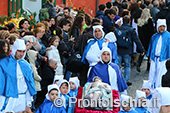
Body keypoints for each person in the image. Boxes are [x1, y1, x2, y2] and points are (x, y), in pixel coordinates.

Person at [0, 39, 36, 112]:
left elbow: (29, 86)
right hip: (8, 99)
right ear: (14, 50)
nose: (21, 54)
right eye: (19, 51)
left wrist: (28, 103)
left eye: (23, 51)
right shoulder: (3, 64)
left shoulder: (27, 66)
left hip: (23, 99)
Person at [117, 16, 145, 86]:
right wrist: (142, 50)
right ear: (129, 21)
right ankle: (126, 80)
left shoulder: (118, 29)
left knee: (118, 66)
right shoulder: (131, 30)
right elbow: (137, 40)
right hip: (127, 50)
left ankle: (118, 79)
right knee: (127, 65)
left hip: (119, 50)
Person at [147, 19, 170, 89]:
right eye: (160, 26)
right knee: (152, 75)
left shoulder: (168, 36)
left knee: (161, 75)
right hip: (154, 59)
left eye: (163, 26)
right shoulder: (154, 36)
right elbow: (151, 47)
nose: (162, 28)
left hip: (164, 59)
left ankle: (159, 89)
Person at [136, 8, 155, 72]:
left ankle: (139, 63)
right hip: (149, 39)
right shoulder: (149, 20)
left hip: (142, 39)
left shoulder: (139, 21)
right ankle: (148, 66)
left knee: (142, 52)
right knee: (149, 53)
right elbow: (151, 31)